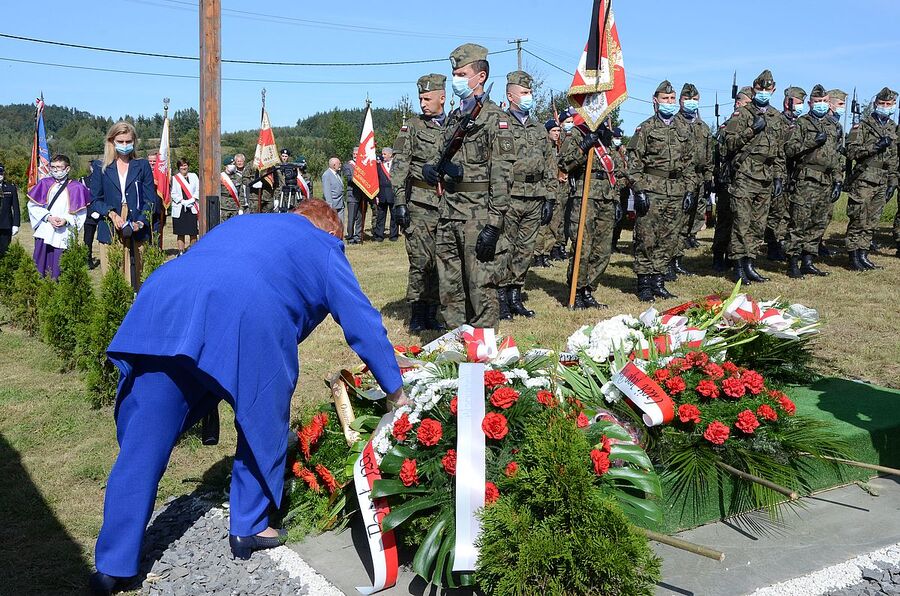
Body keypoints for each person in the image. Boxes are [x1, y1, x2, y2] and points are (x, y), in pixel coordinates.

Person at [88, 199, 405, 596]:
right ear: (330, 231)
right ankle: (251, 524)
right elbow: (361, 321)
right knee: (263, 417)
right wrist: (395, 389)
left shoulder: (246, 223)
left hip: (163, 303)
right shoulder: (324, 245)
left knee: (142, 444)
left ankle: (112, 566)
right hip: (246, 313)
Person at [425, 43, 509, 329]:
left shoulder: (494, 118)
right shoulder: (455, 118)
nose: (456, 79)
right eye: (454, 74)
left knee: (481, 285)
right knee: (450, 287)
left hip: (478, 216)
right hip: (448, 212)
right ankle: (456, 345)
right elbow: (442, 157)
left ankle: (485, 355)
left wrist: (494, 224)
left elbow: (501, 175)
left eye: (461, 73)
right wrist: (434, 170)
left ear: (480, 76)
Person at [492, 70, 555, 320]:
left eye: (530, 93)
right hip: (510, 195)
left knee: (525, 249)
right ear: (510, 95)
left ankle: (516, 295)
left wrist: (550, 196)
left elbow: (550, 163)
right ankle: (501, 296)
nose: (529, 97)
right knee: (504, 248)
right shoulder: (500, 125)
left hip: (535, 196)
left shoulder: (539, 128)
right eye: (525, 93)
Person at [626, 80, 695, 302]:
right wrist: (639, 190)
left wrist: (689, 190)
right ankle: (644, 283)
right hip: (652, 190)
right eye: (665, 99)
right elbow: (633, 163)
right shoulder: (645, 128)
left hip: (675, 191)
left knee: (669, 238)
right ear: (655, 101)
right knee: (647, 238)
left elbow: (689, 164)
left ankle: (658, 281)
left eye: (672, 99)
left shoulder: (684, 129)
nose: (670, 103)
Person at [391, 73, 447, 331]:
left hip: (448, 203)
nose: (423, 103)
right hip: (420, 204)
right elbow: (400, 166)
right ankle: (417, 312)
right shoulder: (412, 127)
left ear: (442, 98)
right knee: (420, 260)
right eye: (420, 98)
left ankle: (433, 311)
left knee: (441, 261)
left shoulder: (455, 126)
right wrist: (399, 202)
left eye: (427, 98)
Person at [722, 69, 787, 285]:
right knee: (741, 221)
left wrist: (778, 177)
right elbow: (729, 144)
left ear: (773, 90)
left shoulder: (776, 117)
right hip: (744, 174)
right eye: (760, 88)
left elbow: (779, 151)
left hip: (766, 176)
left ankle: (750, 262)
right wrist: (751, 130)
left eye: (768, 89)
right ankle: (738, 265)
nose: (764, 92)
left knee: (758, 224)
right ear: (754, 88)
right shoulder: (742, 114)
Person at [784, 85, 843, 278]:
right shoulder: (801, 123)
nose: (821, 105)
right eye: (817, 102)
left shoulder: (834, 126)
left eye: (825, 101)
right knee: (799, 222)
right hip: (806, 179)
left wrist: (838, 181)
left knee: (819, 222)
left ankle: (808, 260)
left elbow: (837, 156)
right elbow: (789, 150)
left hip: (826, 180)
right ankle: (793, 262)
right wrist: (812, 142)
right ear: (810, 103)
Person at [90, 121, 157, 291]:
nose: (125, 145)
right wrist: (112, 214)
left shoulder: (142, 166)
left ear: (134, 141)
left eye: (128, 141)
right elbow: (95, 200)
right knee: (114, 281)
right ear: (112, 141)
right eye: (120, 141)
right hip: (110, 229)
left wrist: (141, 222)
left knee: (139, 278)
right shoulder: (100, 167)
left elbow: (151, 200)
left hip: (138, 228)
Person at [844, 86, 898, 270]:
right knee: (859, 217)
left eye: (888, 104)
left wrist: (892, 181)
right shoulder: (863, 125)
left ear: (894, 105)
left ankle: (863, 254)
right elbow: (851, 151)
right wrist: (875, 146)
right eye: (881, 103)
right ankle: (853, 256)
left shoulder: (892, 127)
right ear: (875, 104)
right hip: (864, 178)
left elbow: (893, 157)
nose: (884, 106)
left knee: (872, 221)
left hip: (882, 179)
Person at [711, 85, 753, 272]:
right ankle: (718, 256)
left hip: (745, 178)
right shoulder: (729, 124)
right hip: (728, 179)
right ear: (738, 103)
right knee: (726, 220)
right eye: (747, 103)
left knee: (742, 221)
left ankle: (735, 256)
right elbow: (722, 150)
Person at [26, 155, 89, 279]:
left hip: (64, 234)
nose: (55, 170)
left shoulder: (77, 187)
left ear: (67, 168)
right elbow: (32, 206)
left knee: (59, 269)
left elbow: (81, 213)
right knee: (39, 268)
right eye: (53, 167)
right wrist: (48, 217)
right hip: (45, 232)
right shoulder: (44, 183)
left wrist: (66, 220)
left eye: (59, 167)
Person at [764, 86, 807, 263]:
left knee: (790, 213)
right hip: (781, 171)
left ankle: (784, 245)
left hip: (796, 174)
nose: (800, 106)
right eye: (798, 102)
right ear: (788, 102)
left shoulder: (801, 123)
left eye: (802, 103)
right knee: (777, 212)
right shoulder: (779, 121)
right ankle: (773, 245)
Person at [674, 83, 713, 274]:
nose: (691, 103)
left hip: (698, 178)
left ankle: (678, 259)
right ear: (680, 101)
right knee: (678, 219)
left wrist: (708, 178)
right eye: (687, 99)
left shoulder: (703, 127)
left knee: (691, 218)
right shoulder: (673, 123)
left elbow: (708, 155)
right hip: (680, 178)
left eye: (695, 100)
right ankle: (671, 259)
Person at [822, 88, 848, 258]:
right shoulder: (823, 123)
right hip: (819, 175)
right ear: (830, 104)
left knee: (827, 212)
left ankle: (817, 242)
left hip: (832, 175)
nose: (843, 107)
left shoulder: (837, 124)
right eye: (840, 104)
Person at [534, 117, 564, 268]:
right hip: (545, 191)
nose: (557, 133)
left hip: (556, 190)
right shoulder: (543, 147)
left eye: (559, 130)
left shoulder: (557, 148)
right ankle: (537, 255)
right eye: (554, 130)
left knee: (554, 225)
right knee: (543, 225)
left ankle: (546, 253)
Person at [169, 159, 199, 255]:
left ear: (188, 166)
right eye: (181, 166)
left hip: (192, 206)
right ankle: (181, 251)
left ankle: (192, 252)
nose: (183, 167)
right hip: (180, 207)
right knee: (180, 232)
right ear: (178, 167)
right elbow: (173, 193)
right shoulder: (174, 178)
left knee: (193, 232)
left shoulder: (194, 176)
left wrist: (192, 199)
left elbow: (198, 189)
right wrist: (182, 201)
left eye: (185, 165)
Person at [373, 150, 398, 242]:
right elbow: (376, 180)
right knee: (381, 216)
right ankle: (379, 235)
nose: (382, 156)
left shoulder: (396, 165)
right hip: (382, 194)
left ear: (390, 155)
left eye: (384, 154)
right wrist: (376, 195)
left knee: (394, 216)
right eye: (382, 154)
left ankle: (393, 235)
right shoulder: (379, 166)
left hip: (393, 194)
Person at [0, 163, 20, 258]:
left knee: (4, 252)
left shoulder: (10, 188)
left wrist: (16, 224)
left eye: (1, 173)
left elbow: (16, 208)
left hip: (5, 225)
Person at [342, 152, 363, 244]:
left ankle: (358, 236)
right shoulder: (348, 165)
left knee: (360, 217)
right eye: (354, 153)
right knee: (351, 217)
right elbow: (349, 178)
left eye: (358, 153)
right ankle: (350, 237)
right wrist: (361, 177)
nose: (356, 155)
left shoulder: (363, 165)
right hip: (352, 195)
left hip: (362, 195)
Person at [220, 156, 244, 222]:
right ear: (226, 166)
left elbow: (241, 194)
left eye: (233, 164)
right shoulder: (220, 177)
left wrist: (241, 208)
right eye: (230, 164)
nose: (232, 166)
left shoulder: (238, 177)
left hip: (235, 207)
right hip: (223, 207)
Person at [321, 157, 345, 224]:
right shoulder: (326, 175)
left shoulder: (337, 174)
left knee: (340, 224)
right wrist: (330, 208)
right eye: (339, 164)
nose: (340, 165)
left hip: (340, 204)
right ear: (334, 165)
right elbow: (327, 192)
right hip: (333, 206)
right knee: (333, 225)